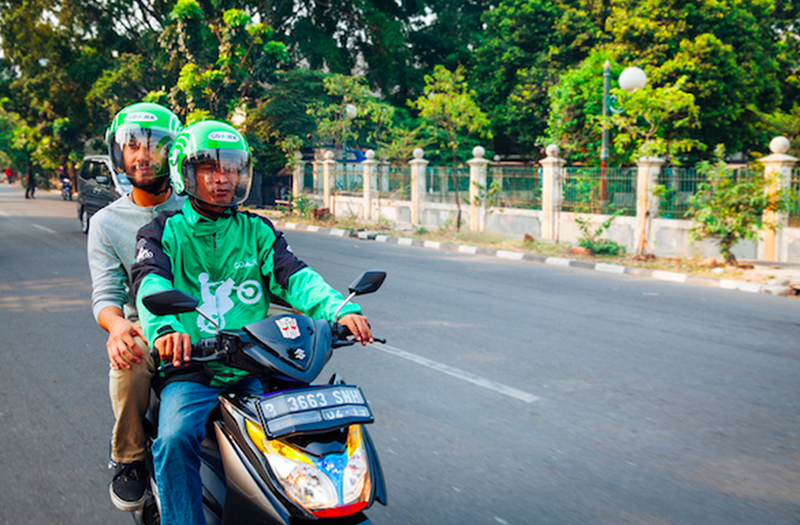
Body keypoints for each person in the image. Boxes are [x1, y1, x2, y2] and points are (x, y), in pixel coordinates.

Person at [130, 120, 373, 525]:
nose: (223, 179)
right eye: (210, 168)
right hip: (195, 369)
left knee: (318, 428)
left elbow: (295, 277)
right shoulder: (161, 231)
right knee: (174, 440)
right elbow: (150, 282)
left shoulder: (257, 230)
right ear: (185, 173)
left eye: (232, 168)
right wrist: (167, 331)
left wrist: (338, 309)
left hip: (256, 365)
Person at [86, 102, 184, 511]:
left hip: (213, 319)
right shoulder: (107, 222)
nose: (143, 155)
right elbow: (107, 295)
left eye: (155, 145)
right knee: (129, 356)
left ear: (174, 152)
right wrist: (117, 327)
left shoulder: (195, 206)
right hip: (145, 324)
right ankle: (129, 458)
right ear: (119, 154)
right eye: (132, 145)